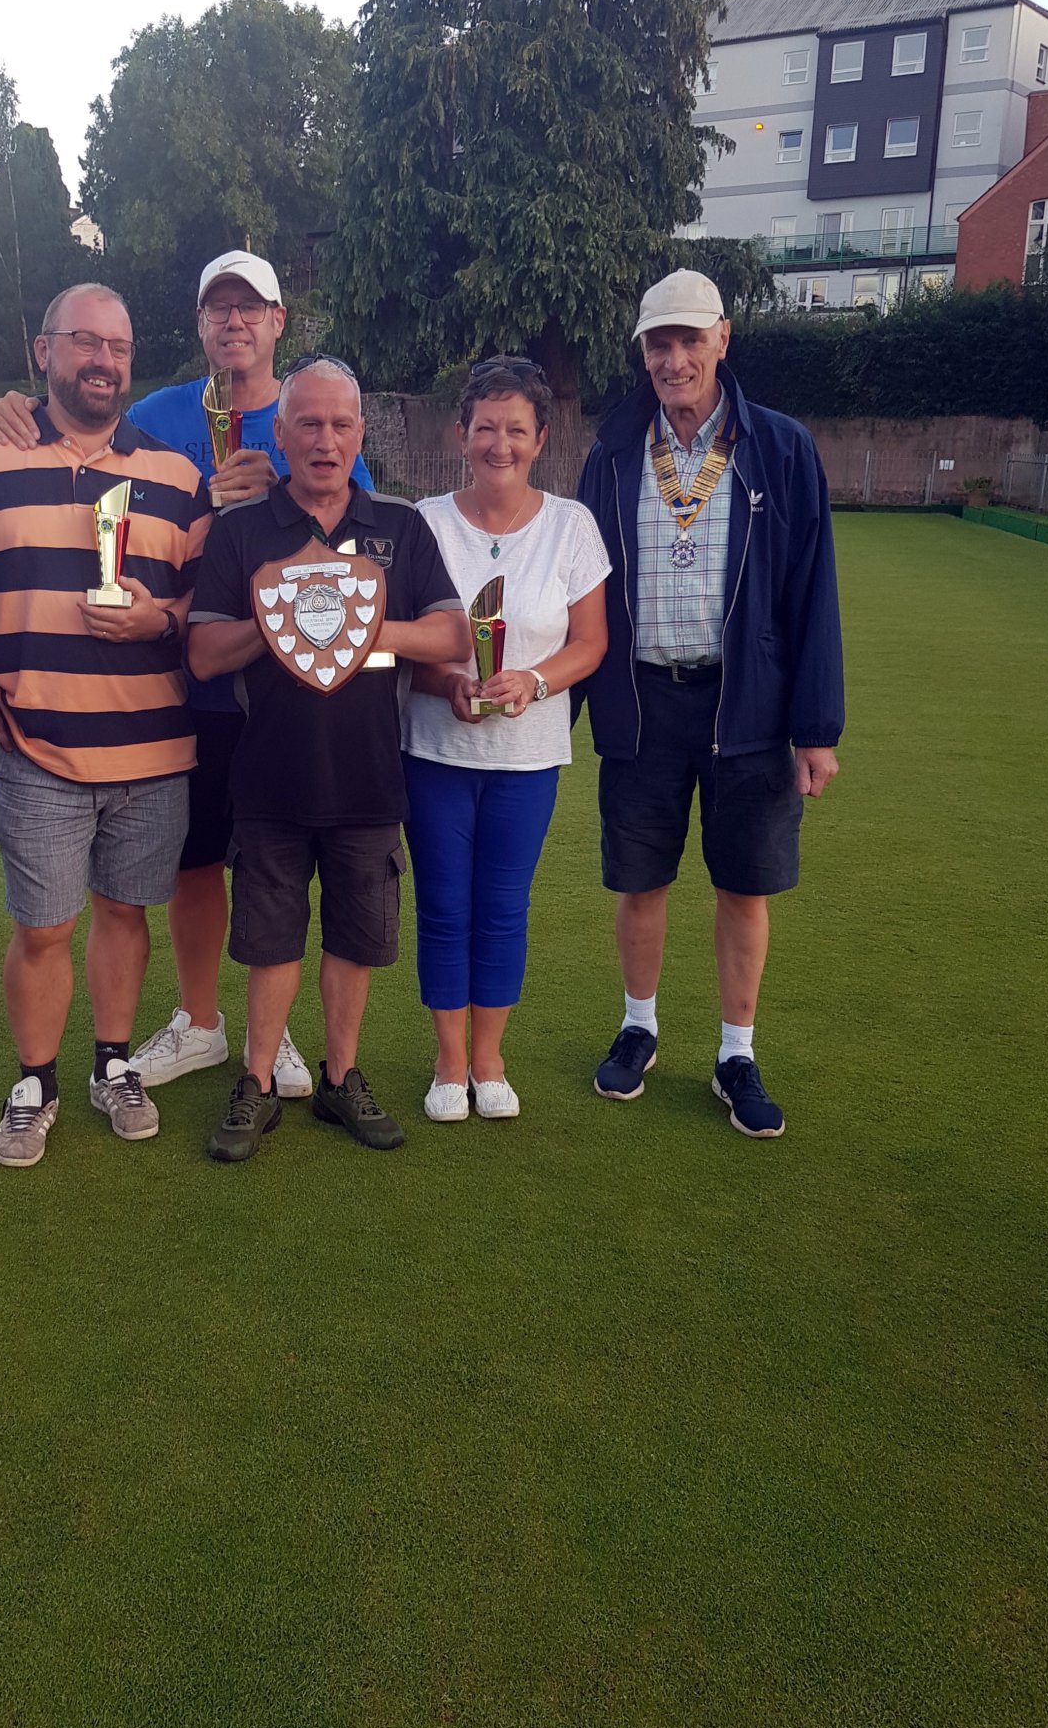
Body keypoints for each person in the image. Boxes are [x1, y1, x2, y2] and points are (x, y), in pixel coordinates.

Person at [0, 252, 375, 1102]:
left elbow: (357, 549)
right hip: (182, 693)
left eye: (251, 308)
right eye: (217, 309)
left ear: (278, 323)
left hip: (286, 696)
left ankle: (277, 1033)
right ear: (199, 324)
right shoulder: (156, 412)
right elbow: (89, 450)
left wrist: (279, 503)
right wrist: (17, 408)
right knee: (195, 866)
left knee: (279, 861)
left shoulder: (314, 412)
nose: (234, 322)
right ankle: (201, 1022)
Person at [0, 284, 211, 1165]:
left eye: (119, 347)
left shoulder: (175, 476)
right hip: (38, 745)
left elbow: (208, 611)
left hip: (153, 749)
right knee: (44, 927)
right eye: (84, 341)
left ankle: (112, 1064)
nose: (103, 360)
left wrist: (158, 621)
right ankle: (35, 1080)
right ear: (43, 352)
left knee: (125, 914)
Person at [576, 269, 844, 1137]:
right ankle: (639, 1027)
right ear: (643, 353)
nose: (676, 357)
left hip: (750, 709)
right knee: (641, 881)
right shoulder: (613, 450)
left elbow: (813, 591)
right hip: (644, 702)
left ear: (724, 340)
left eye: (692, 339)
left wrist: (816, 729)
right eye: (660, 342)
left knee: (744, 887)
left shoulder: (782, 447)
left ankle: (736, 1051)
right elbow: (580, 594)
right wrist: (554, 710)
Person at [188, 354, 469, 1161]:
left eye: (341, 424)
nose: (325, 439)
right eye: (307, 423)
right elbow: (204, 653)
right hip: (269, 776)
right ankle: (257, 1084)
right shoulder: (242, 533)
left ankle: (340, 1080)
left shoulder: (400, 526)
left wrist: (359, 623)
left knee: (355, 938)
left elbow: (453, 634)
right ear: (278, 434)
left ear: (360, 433)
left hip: (370, 777)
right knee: (270, 940)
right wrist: (278, 619)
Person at [403, 357, 610, 1121]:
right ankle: (448, 1062)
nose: (499, 444)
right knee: (444, 908)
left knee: (503, 909)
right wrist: (447, 682)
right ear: (461, 433)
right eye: (484, 427)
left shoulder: (571, 526)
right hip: (433, 752)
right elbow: (403, 645)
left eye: (515, 430)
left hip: (528, 758)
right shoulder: (422, 522)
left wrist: (534, 682)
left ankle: (490, 1059)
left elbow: (590, 643)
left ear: (541, 438)